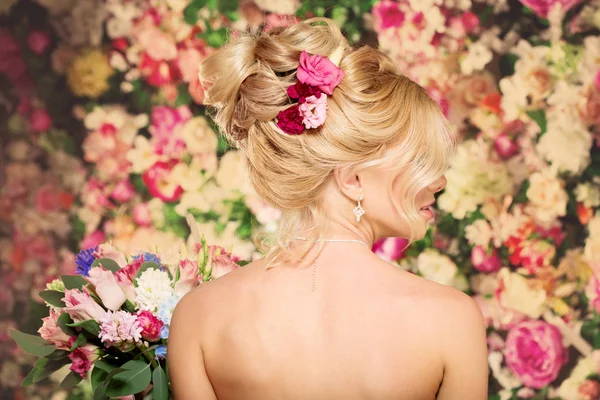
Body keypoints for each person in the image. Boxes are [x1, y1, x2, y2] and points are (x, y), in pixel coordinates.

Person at [168, 17, 488, 400]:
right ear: (352, 179)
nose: (438, 182)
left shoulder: (199, 317)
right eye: (420, 162)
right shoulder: (450, 320)